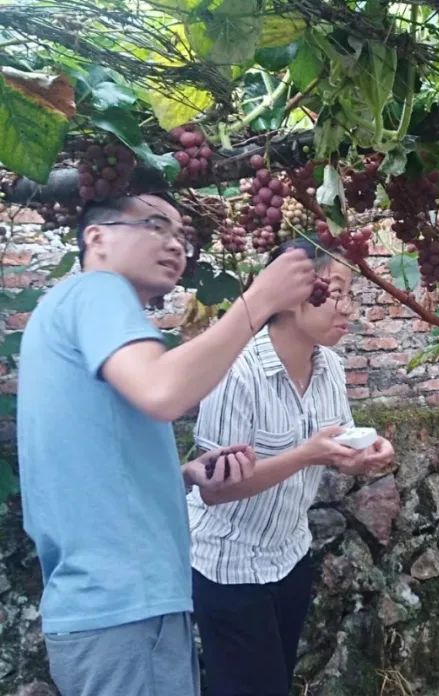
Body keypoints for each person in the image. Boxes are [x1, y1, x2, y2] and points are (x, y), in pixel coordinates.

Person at [17, 193, 316, 696]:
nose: (174, 244)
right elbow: (162, 392)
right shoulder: (97, 291)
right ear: (97, 237)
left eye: (181, 235)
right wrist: (260, 300)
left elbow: (88, 467)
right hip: (126, 605)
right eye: (155, 226)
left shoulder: (67, 314)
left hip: (107, 608)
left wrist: (182, 475)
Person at [187, 237, 395, 696]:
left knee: (276, 681)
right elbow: (214, 489)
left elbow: (338, 448)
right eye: (336, 291)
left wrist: (368, 456)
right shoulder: (235, 370)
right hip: (229, 567)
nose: (348, 309)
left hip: (288, 555)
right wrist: (308, 454)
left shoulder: (331, 367)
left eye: (351, 295)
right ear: (291, 293)